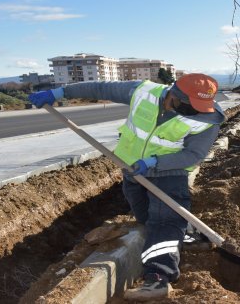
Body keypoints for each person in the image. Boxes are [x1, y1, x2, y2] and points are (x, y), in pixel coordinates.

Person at [28, 73, 225, 301]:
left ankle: (159, 278)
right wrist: (59, 93)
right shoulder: (143, 92)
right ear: (174, 95)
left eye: (200, 106)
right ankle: (187, 236)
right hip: (132, 170)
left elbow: (194, 154)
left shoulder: (208, 118)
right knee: (145, 218)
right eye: (191, 105)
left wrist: (156, 163)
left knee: (164, 221)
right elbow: (100, 88)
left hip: (169, 173)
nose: (196, 110)